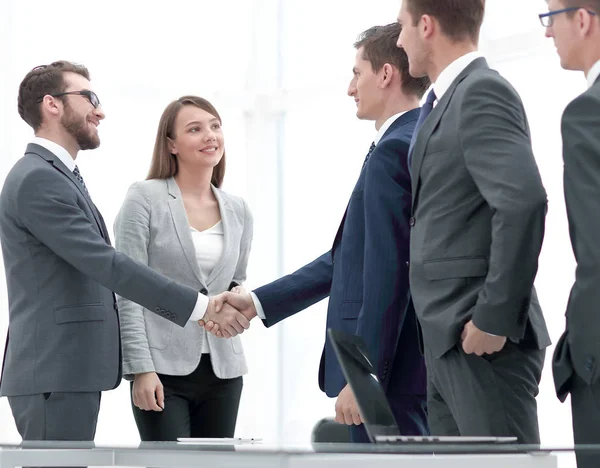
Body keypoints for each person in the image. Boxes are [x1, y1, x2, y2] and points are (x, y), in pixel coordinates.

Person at [0, 61, 248, 442]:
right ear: (51, 105)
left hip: (68, 371)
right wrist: (199, 307)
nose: (99, 111)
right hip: (54, 370)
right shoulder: (38, 178)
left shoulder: (56, 176)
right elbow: (107, 264)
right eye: (89, 98)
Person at [206, 23, 430, 442]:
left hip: (390, 373)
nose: (350, 88)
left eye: (357, 73)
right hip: (407, 366)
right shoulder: (413, 137)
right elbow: (348, 258)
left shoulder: (395, 149)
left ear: (386, 74)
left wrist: (366, 378)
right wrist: (256, 302)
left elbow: (389, 273)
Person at [395, 0, 551, 443]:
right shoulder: (443, 101)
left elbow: (523, 204)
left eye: (403, 27)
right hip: (445, 341)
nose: (400, 39)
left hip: (481, 342)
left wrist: (494, 318)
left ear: (426, 26)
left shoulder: (482, 90)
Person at [114, 96, 252, 441]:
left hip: (224, 369)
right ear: (171, 144)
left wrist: (239, 297)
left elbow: (236, 279)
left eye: (215, 126)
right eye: (195, 129)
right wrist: (141, 369)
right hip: (161, 369)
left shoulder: (238, 209)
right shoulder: (144, 198)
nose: (210, 136)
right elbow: (127, 290)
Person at [541, 1, 600, 466]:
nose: (547, 33)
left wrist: (582, 358)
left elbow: (596, 253)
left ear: (582, 19)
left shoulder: (588, 114)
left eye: (550, 19)